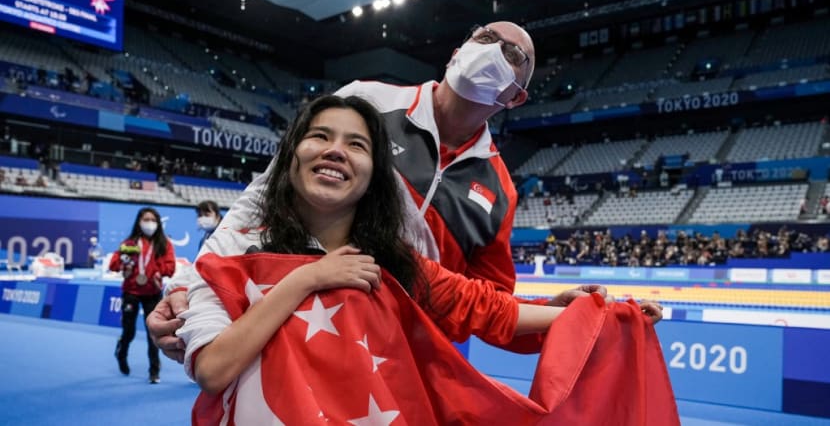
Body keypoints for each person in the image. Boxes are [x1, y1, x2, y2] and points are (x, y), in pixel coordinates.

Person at [176, 95, 669, 424]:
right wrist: (309, 279)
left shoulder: (396, 264)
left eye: (357, 144)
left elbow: (482, 306)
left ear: (374, 175)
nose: (336, 152)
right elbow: (213, 369)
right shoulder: (233, 253)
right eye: (320, 136)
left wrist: (588, 314)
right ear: (291, 155)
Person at [148, 21, 613, 361]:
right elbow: (261, 196)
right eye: (486, 37)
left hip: (406, 363)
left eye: (515, 54)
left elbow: (482, 303)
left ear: (515, 97)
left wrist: (550, 313)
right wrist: (188, 286)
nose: (494, 49)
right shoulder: (366, 101)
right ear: (457, 52)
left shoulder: (499, 190)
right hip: (307, 326)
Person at [108, 207, 176, 383]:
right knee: (128, 331)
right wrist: (124, 267)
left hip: (153, 292)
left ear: (158, 223)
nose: (149, 223)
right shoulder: (129, 243)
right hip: (131, 291)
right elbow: (113, 264)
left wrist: (159, 272)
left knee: (153, 333)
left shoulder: (164, 243)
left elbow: (171, 267)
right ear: (139, 222)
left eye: (153, 220)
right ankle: (121, 352)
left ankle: (154, 371)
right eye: (146, 219)